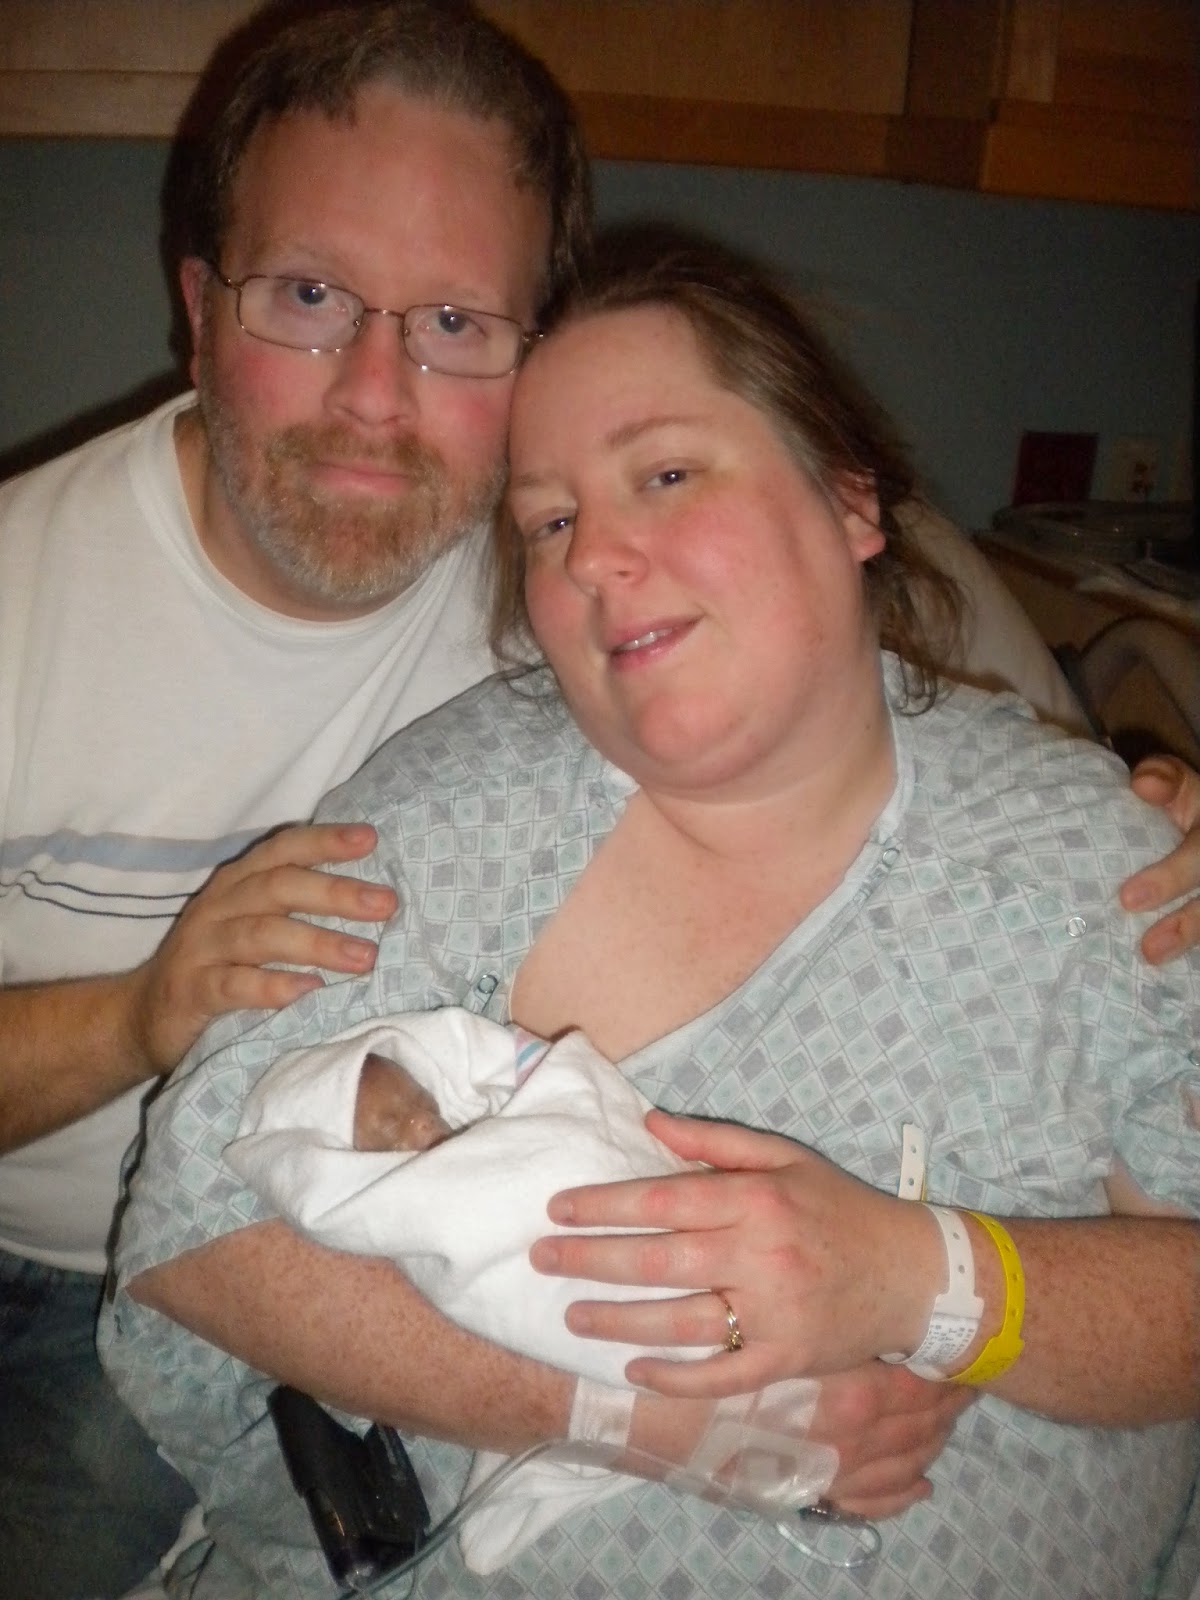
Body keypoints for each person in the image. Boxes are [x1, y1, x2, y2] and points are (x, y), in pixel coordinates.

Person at [2, 0, 1198, 1590]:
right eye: (309, 296)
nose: (376, 396)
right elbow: (196, 1225)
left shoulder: (1063, 848)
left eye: (452, 322)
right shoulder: (439, 769)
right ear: (201, 309)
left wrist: (933, 1274)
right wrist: (146, 1013)